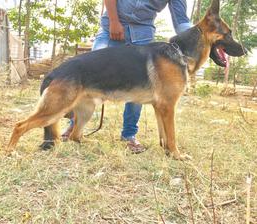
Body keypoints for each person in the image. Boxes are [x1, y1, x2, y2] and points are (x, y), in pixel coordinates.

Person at [63, 0, 192, 153]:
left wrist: (200, 39)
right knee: (89, 74)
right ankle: (74, 125)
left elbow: (181, 22)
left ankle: (129, 134)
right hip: (112, 26)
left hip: (142, 34)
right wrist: (114, 21)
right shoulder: (113, 22)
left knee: (140, 85)